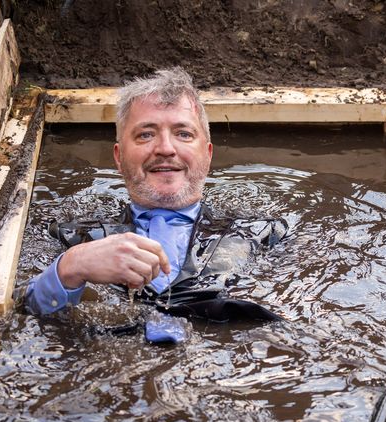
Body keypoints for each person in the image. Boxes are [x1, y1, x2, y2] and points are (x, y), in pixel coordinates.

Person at [17, 67, 285, 342]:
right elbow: (17, 313)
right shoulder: (69, 237)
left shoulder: (264, 233)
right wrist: (71, 267)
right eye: (146, 135)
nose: (166, 148)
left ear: (207, 155)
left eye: (183, 134)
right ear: (119, 158)